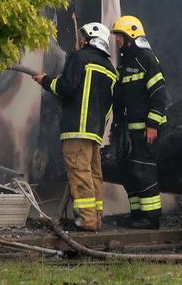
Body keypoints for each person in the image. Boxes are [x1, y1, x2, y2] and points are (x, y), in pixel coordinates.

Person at [27, 22, 117, 231]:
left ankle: (86, 221)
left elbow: (66, 87)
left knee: (79, 173)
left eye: (82, 36)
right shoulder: (110, 69)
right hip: (95, 133)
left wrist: (46, 81)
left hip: (76, 129)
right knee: (94, 174)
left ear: (89, 39)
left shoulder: (80, 58)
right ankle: (96, 218)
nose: (79, 40)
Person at [111, 15, 170, 229]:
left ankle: (151, 217)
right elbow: (119, 100)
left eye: (119, 36)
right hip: (127, 132)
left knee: (142, 171)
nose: (117, 40)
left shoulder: (147, 60)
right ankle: (137, 214)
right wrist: (115, 129)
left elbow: (160, 96)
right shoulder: (124, 65)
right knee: (128, 172)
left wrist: (153, 124)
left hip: (146, 131)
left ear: (130, 36)